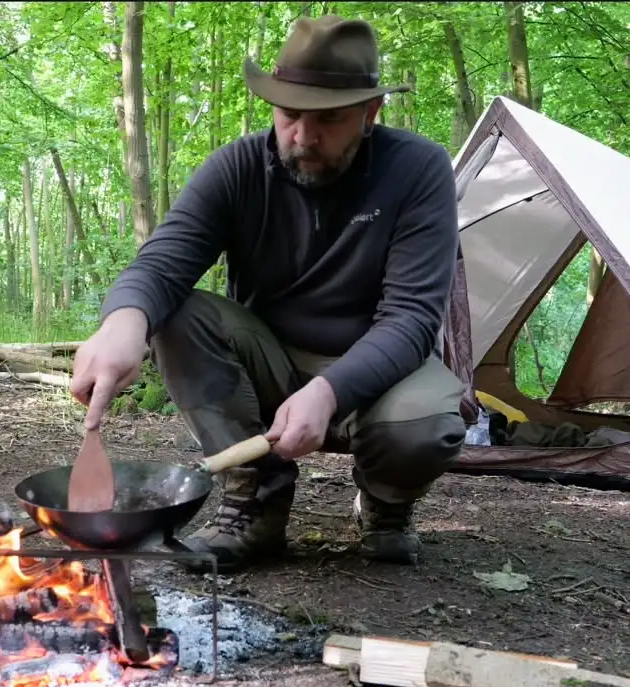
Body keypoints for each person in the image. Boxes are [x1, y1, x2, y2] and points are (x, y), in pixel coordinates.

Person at [71, 15, 468, 573]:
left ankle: (385, 505)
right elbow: (163, 263)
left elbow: (411, 319)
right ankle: (256, 507)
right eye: (289, 116)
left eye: (328, 120)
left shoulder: (417, 170)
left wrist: (330, 392)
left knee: (426, 426)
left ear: (370, 113)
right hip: (269, 358)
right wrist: (123, 322)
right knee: (175, 314)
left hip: (383, 363)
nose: (303, 138)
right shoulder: (237, 168)